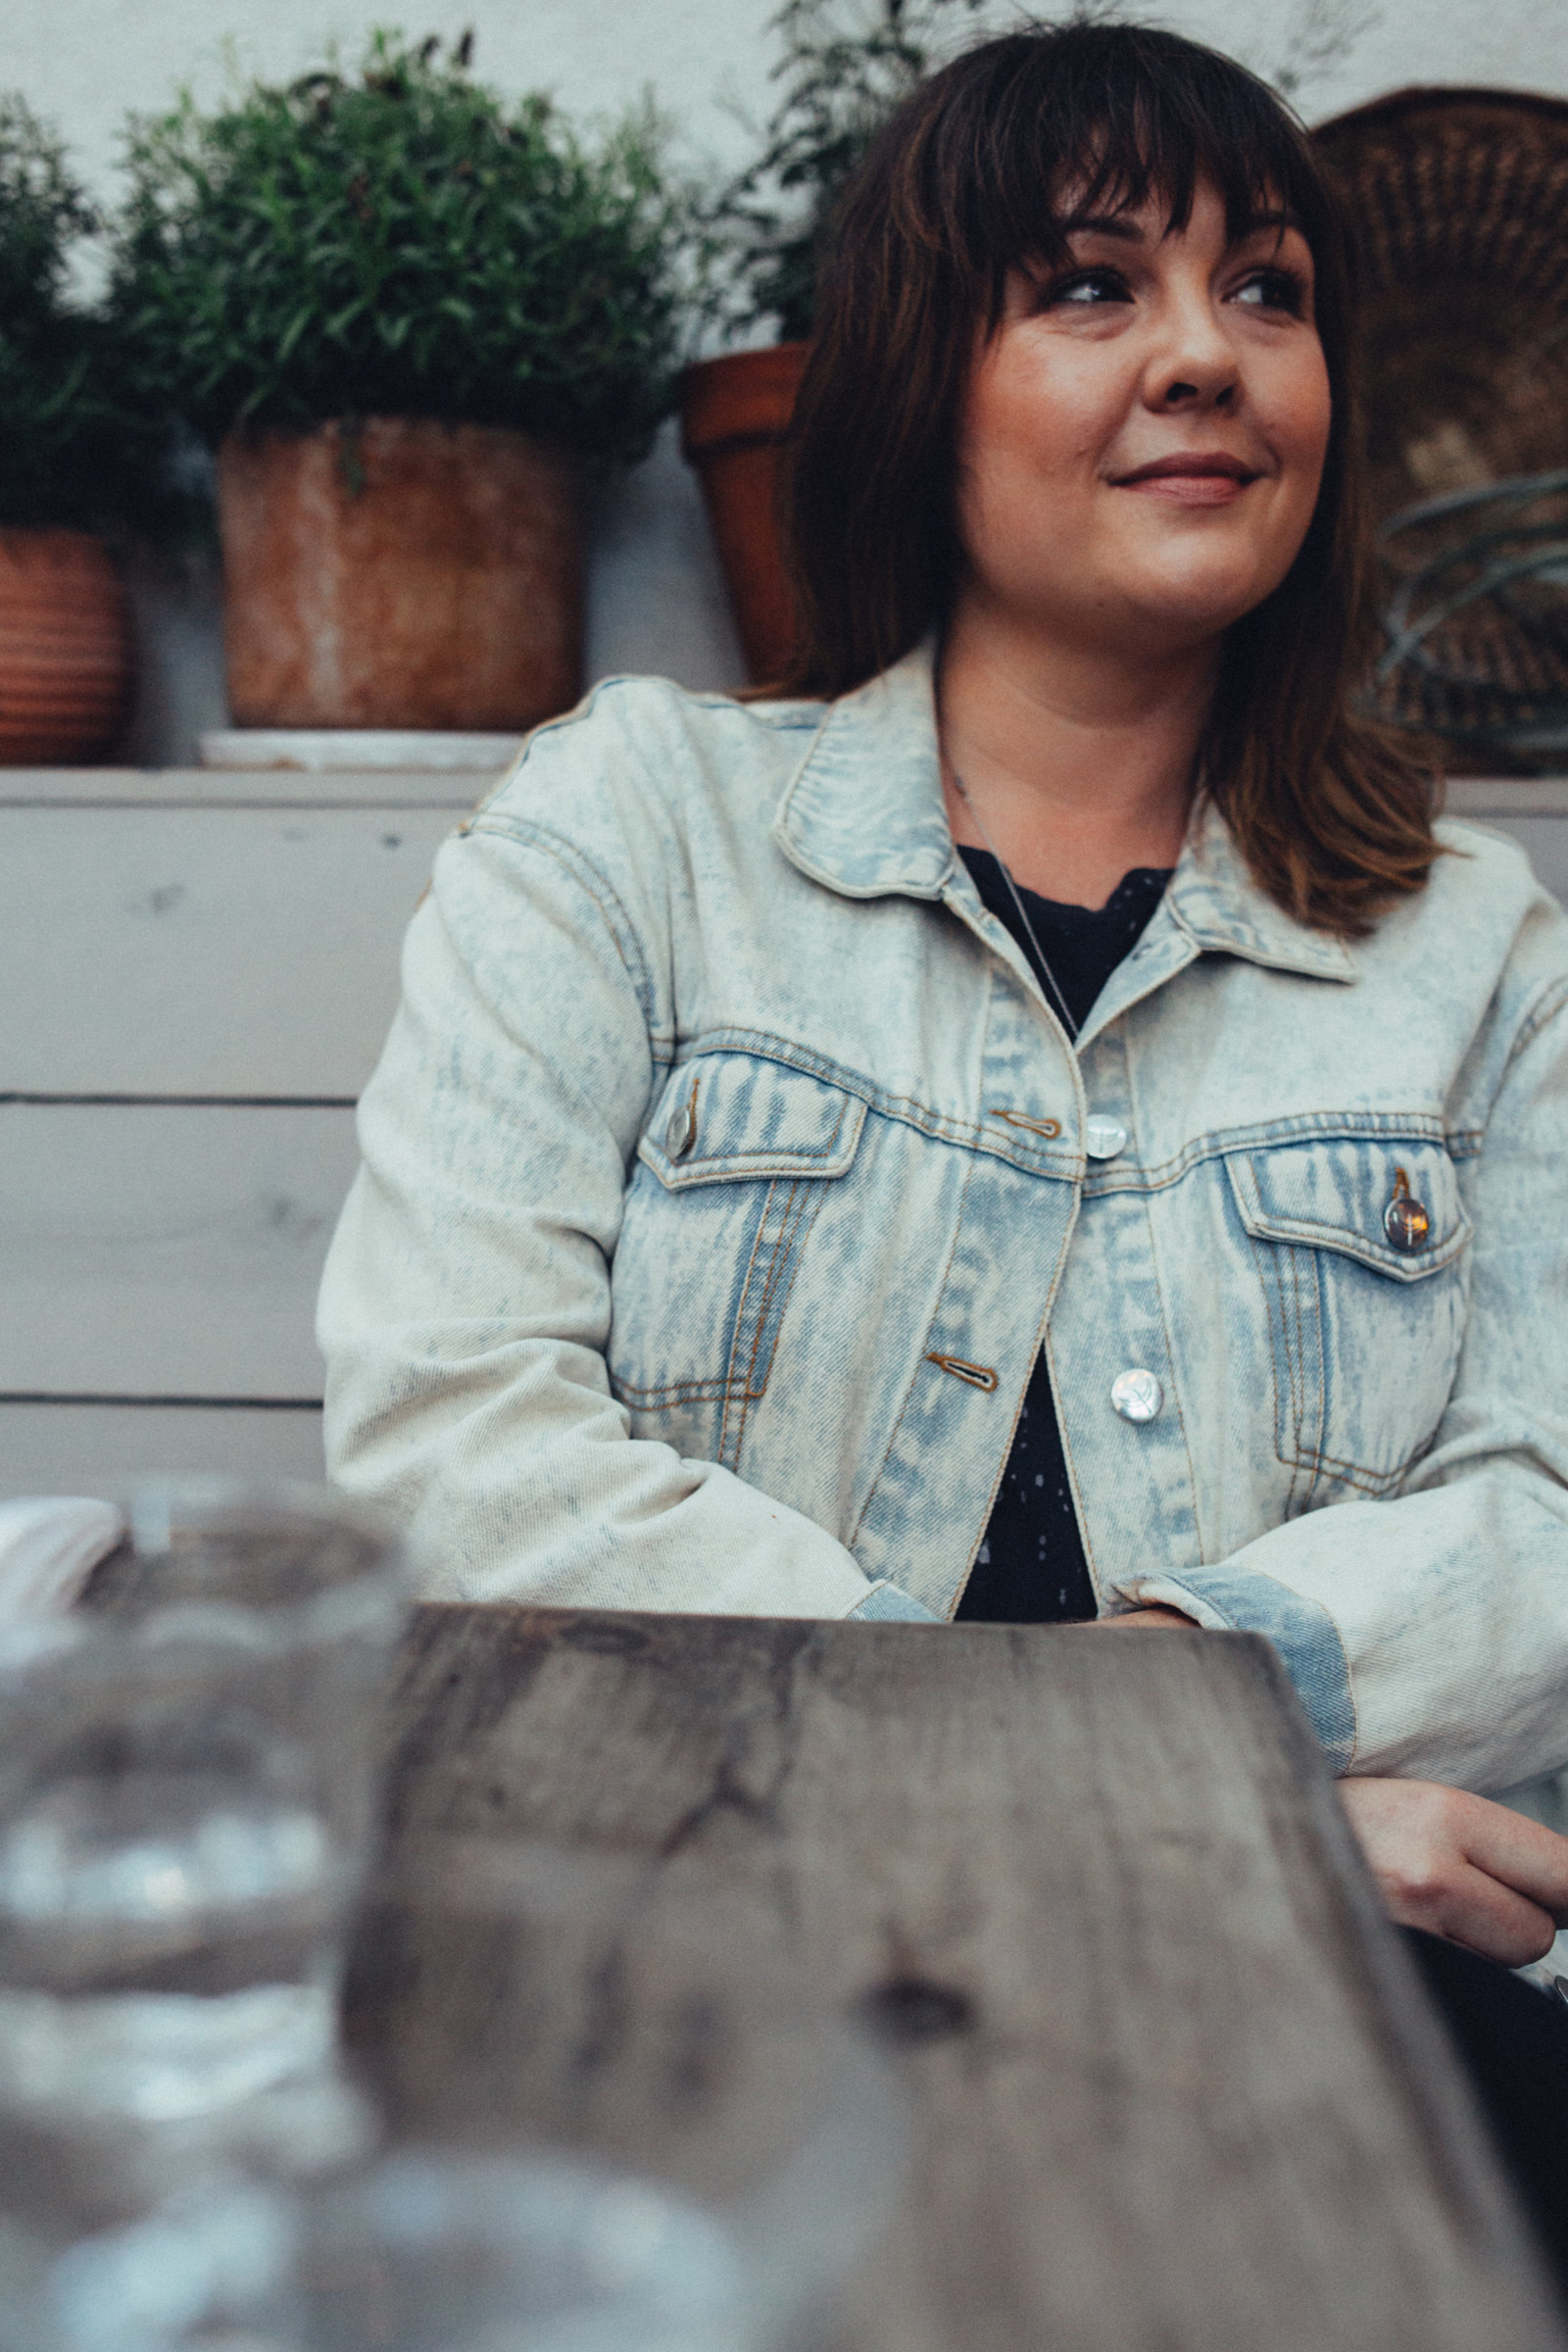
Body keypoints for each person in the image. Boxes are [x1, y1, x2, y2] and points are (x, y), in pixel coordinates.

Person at [318, 21, 1568, 2267]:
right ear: (918, 385)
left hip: (1357, 1990)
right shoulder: (636, 828)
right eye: (1091, 284)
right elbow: (447, 1426)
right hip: (705, 1949)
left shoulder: (1471, 946)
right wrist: (1141, 1781)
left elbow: (1548, 1498)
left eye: (1265, 290)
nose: (1205, 354)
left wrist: (1188, 1715)